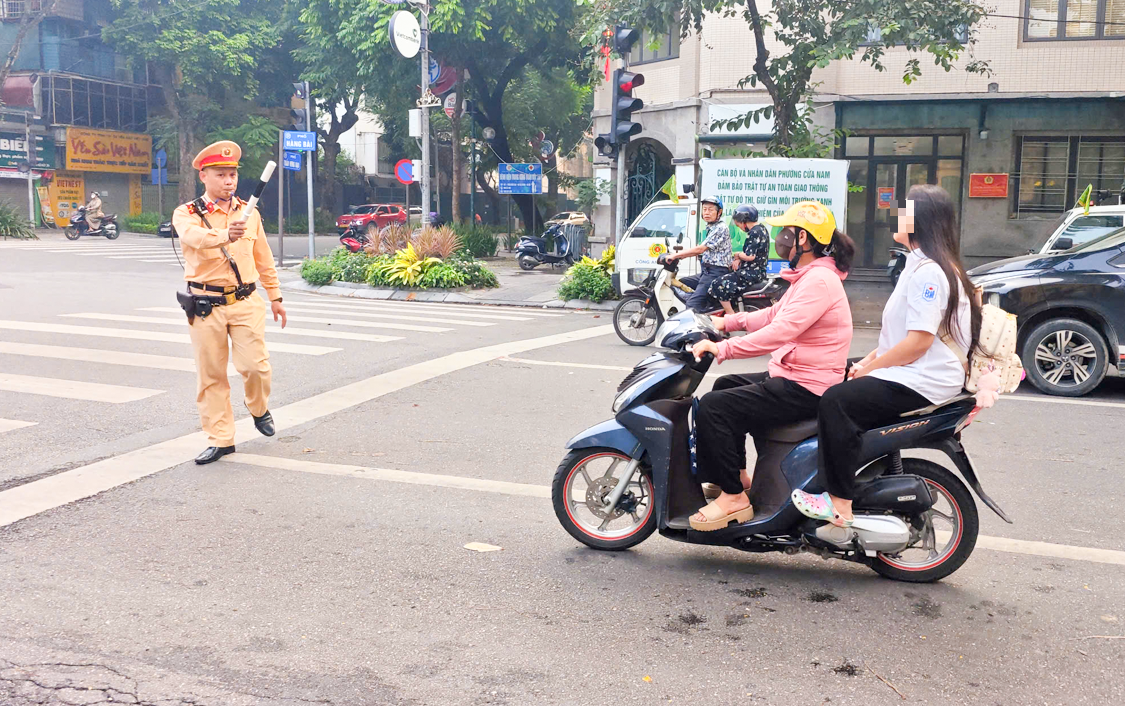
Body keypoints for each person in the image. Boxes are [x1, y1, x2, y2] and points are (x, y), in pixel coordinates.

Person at [792, 185, 979, 528]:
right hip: (916, 369)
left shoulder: (930, 273)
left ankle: (839, 502)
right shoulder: (917, 265)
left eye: (904, 211)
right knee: (846, 378)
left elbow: (918, 343)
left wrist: (871, 369)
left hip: (926, 377)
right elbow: (899, 336)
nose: (897, 217)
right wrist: (865, 363)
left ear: (920, 220)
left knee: (837, 401)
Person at [687, 201, 856, 531]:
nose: (778, 238)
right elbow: (772, 315)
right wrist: (726, 323)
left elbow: (780, 331)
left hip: (806, 386)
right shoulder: (810, 276)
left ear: (802, 238)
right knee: (725, 387)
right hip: (795, 375)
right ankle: (736, 478)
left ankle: (734, 500)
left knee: (714, 407)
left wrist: (723, 349)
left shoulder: (819, 281)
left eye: (785, 233)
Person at [171, 140, 288, 465]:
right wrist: (225, 236)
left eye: (232, 174)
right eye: (221, 174)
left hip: (245, 301)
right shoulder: (187, 213)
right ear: (204, 176)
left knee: (255, 366)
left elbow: (263, 258)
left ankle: (259, 408)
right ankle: (221, 439)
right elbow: (193, 238)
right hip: (205, 304)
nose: (228, 181)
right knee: (211, 375)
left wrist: (275, 296)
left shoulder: (249, 214)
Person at [666, 195, 732, 312]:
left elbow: (700, 249)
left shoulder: (720, 228)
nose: (707, 212)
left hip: (715, 273)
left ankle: (700, 321)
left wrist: (676, 256)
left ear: (719, 212)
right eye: (704, 209)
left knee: (692, 305)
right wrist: (680, 256)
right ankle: (705, 307)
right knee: (681, 283)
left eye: (711, 210)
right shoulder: (711, 227)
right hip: (706, 272)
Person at [708, 205, 771, 315]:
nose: (740, 228)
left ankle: (731, 316)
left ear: (744, 221)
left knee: (717, 284)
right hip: (758, 271)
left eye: (739, 225)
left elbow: (750, 256)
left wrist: (737, 255)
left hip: (751, 273)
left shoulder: (754, 232)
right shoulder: (762, 229)